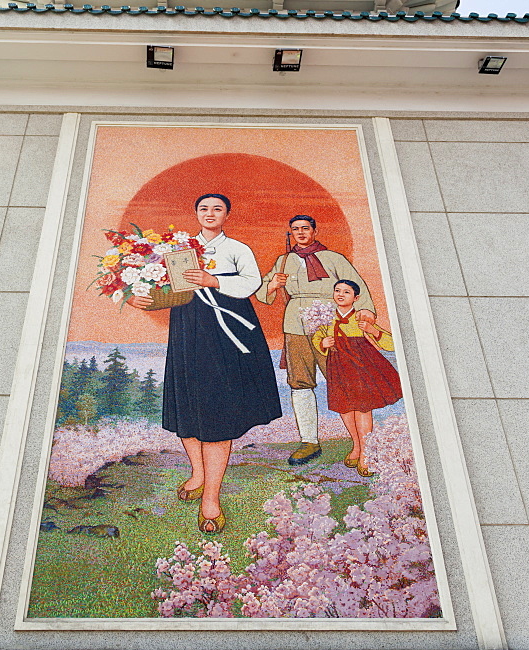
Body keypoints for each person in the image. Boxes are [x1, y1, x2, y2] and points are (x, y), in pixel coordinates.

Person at [128, 193, 281, 533]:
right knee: (188, 402)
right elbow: (165, 288)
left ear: (227, 214)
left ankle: (211, 497)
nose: (210, 214)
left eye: (217, 209)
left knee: (217, 410)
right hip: (188, 326)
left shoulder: (237, 249)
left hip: (227, 329)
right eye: (204, 209)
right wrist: (143, 298)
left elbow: (252, 282)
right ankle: (197, 473)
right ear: (195, 213)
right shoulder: (178, 249)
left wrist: (214, 281)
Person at [256, 214, 376, 466]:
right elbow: (262, 293)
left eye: (305, 228)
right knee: (300, 382)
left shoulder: (333, 259)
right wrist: (273, 285)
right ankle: (309, 440)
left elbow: (358, 287)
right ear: (291, 233)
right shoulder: (284, 260)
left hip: (330, 323)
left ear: (314, 231)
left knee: (343, 379)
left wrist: (366, 311)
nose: (300, 233)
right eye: (295, 229)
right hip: (295, 323)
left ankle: (360, 445)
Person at [312, 279, 403, 476]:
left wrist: (373, 330)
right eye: (337, 291)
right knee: (344, 407)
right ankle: (356, 445)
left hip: (361, 367)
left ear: (356, 298)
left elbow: (391, 342)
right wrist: (323, 343)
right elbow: (317, 337)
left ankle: (366, 453)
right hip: (337, 366)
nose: (341, 294)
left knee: (362, 408)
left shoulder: (361, 317)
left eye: (346, 292)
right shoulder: (327, 318)